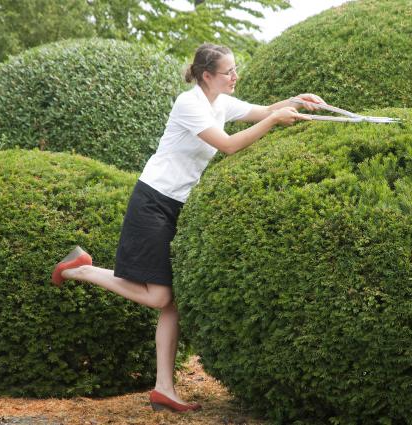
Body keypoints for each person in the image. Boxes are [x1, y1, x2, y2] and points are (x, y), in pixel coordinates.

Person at [51, 43, 325, 413]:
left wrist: (296, 100)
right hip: (153, 201)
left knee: (172, 301)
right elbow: (228, 145)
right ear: (206, 76)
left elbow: (261, 110)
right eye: (228, 72)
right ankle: (81, 269)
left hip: (178, 205)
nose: (235, 76)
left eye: (235, 69)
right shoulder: (189, 104)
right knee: (160, 297)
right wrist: (275, 120)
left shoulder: (220, 103)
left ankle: (164, 389)